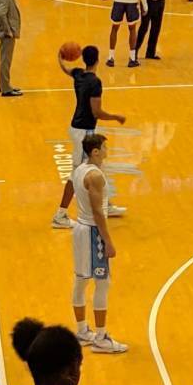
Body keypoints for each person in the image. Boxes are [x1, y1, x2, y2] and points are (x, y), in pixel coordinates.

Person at [67, 131, 126, 353]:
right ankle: (101, 338)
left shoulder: (79, 170)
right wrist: (108, 241)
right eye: (104, 148)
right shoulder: (95, 176)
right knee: (103, 283)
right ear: (95, 151)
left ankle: (82, 331)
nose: (107, 152)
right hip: (92, 232)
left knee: (81, 281)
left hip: (80, 229)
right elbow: (99, 213)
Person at [52, 47, 122, 230]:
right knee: (77, 174)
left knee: (99, 166)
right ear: (98, 60)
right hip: (84, 132)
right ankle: (60, 214)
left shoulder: (78, 74)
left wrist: (60, 58)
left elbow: (66, 69)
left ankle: (106, 204)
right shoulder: (95, 82)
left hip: (78, 128)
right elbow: (96, 112)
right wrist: (116, 117)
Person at [0, 0, 24, 98]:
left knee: (6, 60)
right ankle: (6, 89)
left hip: (9, 31)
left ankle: (4, 85)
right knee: (5, 61)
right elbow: (1, 14)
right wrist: (8, 30)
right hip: (7, 33)